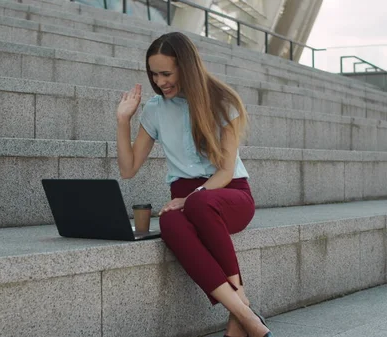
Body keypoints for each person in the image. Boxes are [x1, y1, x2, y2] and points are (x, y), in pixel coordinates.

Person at [115, 32, 272, 337]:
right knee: (171, 221)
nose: (159, 81)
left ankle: (244, 318)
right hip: (187, 202)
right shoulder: (155, 109)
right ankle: (245, 314)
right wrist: (123, 121)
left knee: (195, 204)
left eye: (166, 73)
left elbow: (226, 172)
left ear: (186, 67)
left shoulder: (222, 101)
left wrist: (190, 199)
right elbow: (128, 168)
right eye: (153, 74)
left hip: (230, 196)